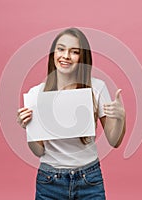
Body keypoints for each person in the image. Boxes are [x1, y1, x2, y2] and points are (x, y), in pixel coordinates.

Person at [17, 27, 126, 200]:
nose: (65, 56)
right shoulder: (36, 94)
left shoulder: (97, 88)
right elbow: (38, 151)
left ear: (82, 57)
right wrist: (29, 128)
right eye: (60, 49)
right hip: (50, 181)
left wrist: (121, 118)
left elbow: (115, 141)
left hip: (89, 179)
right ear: (53, 53)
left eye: (74, 52)